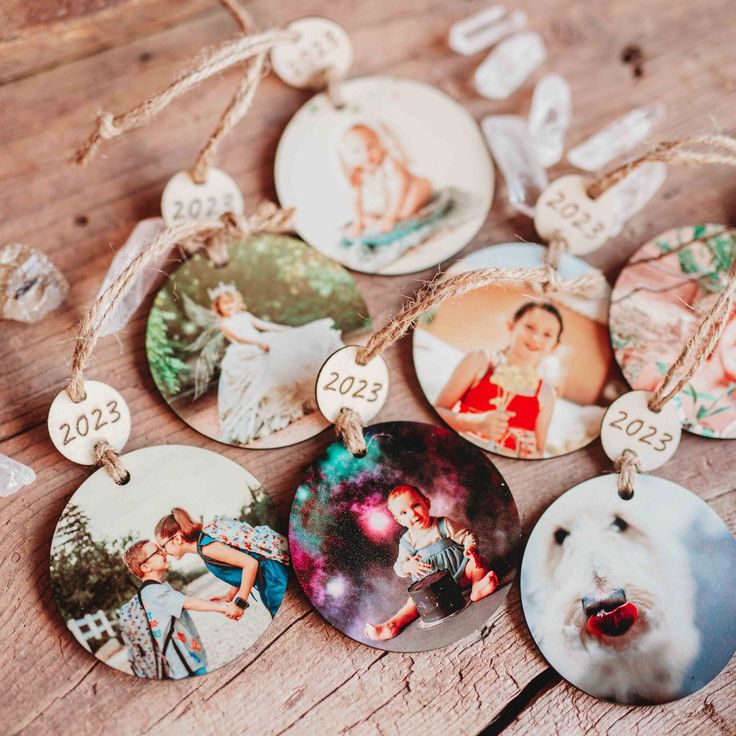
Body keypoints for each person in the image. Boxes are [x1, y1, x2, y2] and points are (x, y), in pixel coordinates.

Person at [211, 283, 343, 445]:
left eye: (231, 302)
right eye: (225, 303)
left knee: (286, 359)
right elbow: (239, 338)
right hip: (245, 351)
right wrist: (257, 343)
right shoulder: (225, 324)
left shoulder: (244, 316)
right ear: (218, 307)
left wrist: (283, 329)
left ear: (237, 302)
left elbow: (263, 325)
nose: (229, 306)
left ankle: (293, 399)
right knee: (262, 378)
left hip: (261, 342)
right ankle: (265, 412)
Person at [364, 485, 498, 641]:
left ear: (426, 503)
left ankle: (477, 589)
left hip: (460, 573)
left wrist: (470, 548)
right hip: (434, 590)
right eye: (404, 513)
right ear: (399, 520)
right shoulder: (408, 542)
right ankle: (392, 625)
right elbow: (399, 568)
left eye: (415, 505)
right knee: (413, 604)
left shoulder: (443, 524)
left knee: (478, 563)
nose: (413, 514)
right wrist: (408, 566)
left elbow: (467, 535)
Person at [434, 301, 563, 458]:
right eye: (529, 327)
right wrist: (476, 423)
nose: (536, 338)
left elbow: (539, 452)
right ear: (511, 325)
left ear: (554, 346)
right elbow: (436, 412)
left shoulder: (546, 394)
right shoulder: (480, 361)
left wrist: (529, 453)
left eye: (547, 334)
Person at [122, 539, 242, 679]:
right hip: (184, 663)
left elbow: (183, 604)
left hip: (177, 663)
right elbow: (189, 602)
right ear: (146, 567)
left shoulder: (149, 592)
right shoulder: (155, 592)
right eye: (157, 551)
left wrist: (219, 601)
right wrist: (223, 608)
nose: (164, 552)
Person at [155, 508, 289, 619]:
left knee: (286, 617)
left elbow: (250, 563)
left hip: (273, 578)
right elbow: (240, 563)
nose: (164, 553)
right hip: (270, 576)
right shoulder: (204, 544)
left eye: (163, 547)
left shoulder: (207, 548)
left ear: (177, 538)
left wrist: (239, 604)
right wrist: (230, 595)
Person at [339, 123, 433, 238]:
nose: (366, 154)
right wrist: (358, 223)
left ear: (380, 144)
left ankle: (405, 216)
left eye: (370, 147)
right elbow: (356, 200)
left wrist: (390, 217)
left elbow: (401, 188)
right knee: (364, 216)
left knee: (404, 211)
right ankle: (392, 218)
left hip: (414, 188)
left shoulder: (389, 162)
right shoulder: (358, 172)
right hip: (393, 200)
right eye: (357, 151)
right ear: (349, 155)